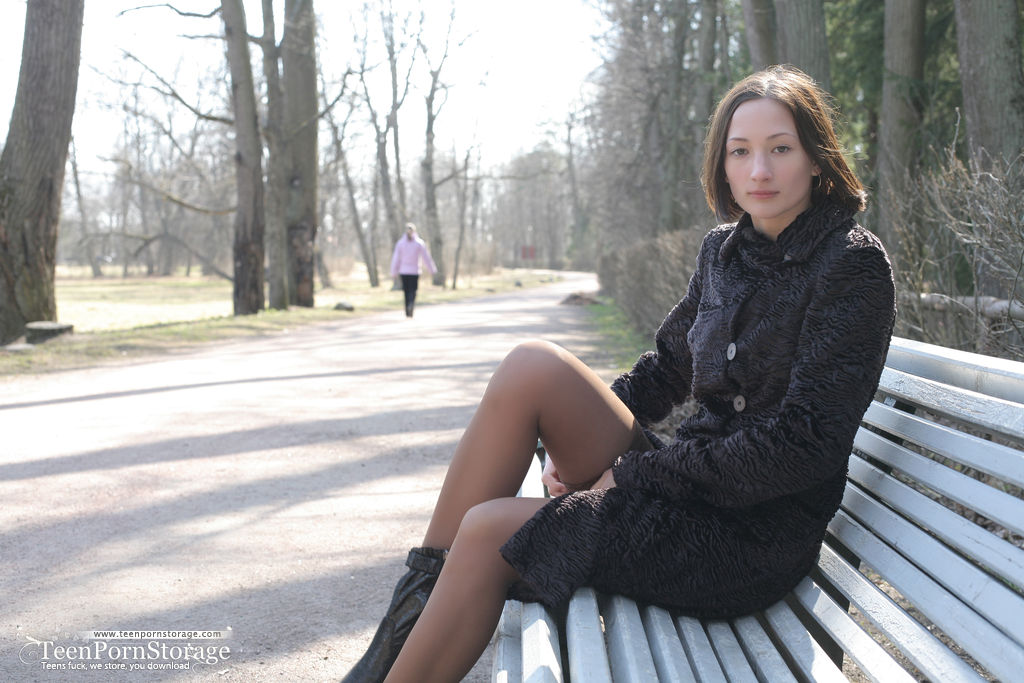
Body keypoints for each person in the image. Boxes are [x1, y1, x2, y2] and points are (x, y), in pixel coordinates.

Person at [343, 65, 896, 683]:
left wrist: (631, 473)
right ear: (722, 165)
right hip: (690, 488)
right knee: (532, 366)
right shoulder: (723, 252)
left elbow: (804, 445)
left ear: (816, 159)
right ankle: (392, 649)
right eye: (740, 151)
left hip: (748, 539)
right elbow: (665, 370)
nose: (759, 171)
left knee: (488, 530)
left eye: (781, 149)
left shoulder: (851, 264)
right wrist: (573, 440)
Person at [389, 224, 437, 317]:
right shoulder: (419, 243)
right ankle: (411, 304)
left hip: (404, 271)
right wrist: (431, 269)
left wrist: (393, 271)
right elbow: (426, 257)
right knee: (413, 290)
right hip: (414, 271)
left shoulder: (400, 243)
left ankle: (407, 309)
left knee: (406, 291)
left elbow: (396, 259)